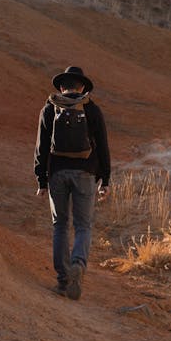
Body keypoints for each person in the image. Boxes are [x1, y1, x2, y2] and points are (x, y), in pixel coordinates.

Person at [34, 66, 110, 299]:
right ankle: (78, 263)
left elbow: (41, 147)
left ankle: (63, 280)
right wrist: (105, 179)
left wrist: (41, 179)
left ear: (62, 86)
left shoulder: (49, 107)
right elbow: (103, 146)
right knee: (83, 226)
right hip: (85, 174)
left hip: (57, 174)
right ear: (82, 87)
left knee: (60, 225)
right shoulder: (91, 109)